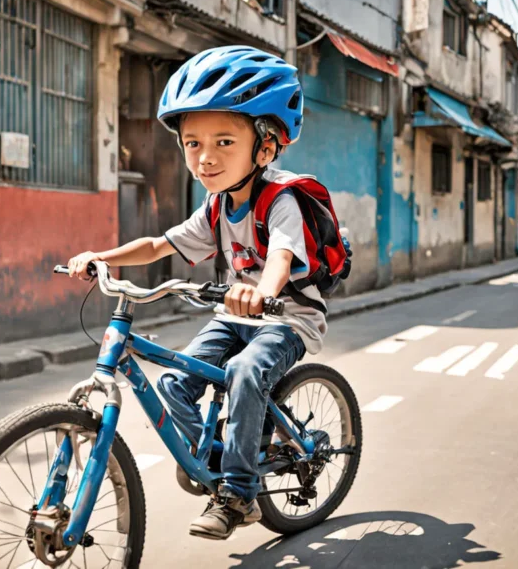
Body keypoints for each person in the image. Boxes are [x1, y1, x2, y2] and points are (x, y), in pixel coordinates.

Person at [67, 45, 329, 540]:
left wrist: (261, 293)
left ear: (266, 148)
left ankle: (238, 494)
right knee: (172, 382)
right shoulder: (215, 206)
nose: (205, 158)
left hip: (286, 318)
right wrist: (102, 256)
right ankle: (221, 457)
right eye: (193, 143)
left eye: (224, 142)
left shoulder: (281, 200)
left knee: (245, 372)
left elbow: (281, 256)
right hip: (235, 316)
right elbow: (157, 245)